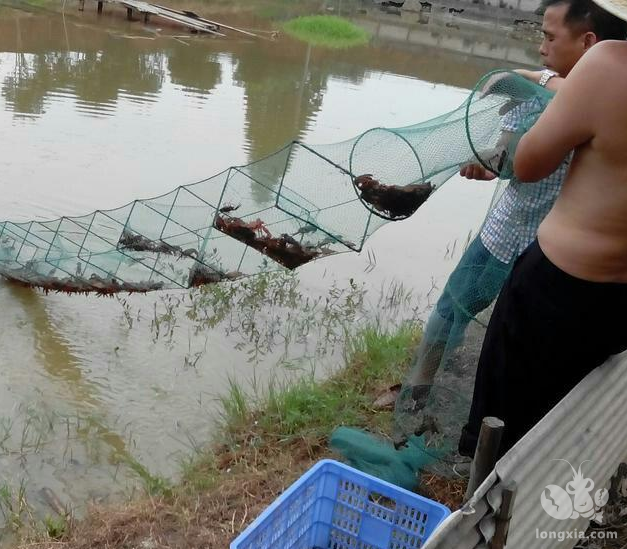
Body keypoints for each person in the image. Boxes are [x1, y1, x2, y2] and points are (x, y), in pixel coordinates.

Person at [393, 0, 627, 447]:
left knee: (509, 359)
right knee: (452, 311)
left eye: (550, 38)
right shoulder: (535, 97)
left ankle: (479, 454)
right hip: (509, 235)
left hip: (551, 263)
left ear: (589, 43)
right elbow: (506, 157)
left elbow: (531, 160)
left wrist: (544, 82)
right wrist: (490, 164)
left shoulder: (587, 83)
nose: (540, 48)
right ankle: (418, 391)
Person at [460, 4, 627, 457]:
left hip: (560, 284)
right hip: (619, 301)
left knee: (507, 408)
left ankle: (488, 504)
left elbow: (530, 162)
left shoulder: (609, 62)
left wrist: (552, 93)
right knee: (573, 402)